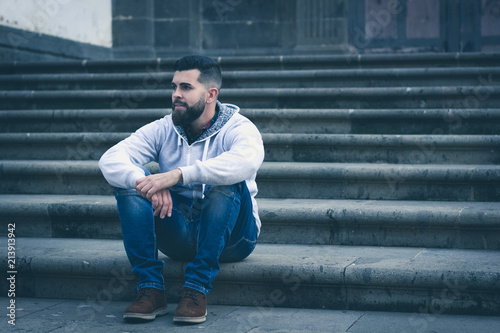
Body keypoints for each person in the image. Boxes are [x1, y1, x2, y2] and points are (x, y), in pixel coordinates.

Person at [98, 55, 264, 324]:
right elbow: (110, 159)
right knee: (131, 185)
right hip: (178, 231)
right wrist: (148, 183)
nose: (176, 95)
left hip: (234, 238)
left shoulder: (239, 127)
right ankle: (150, 289)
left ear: (211, 94)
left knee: (227, 181)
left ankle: (196, 289)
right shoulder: (164, 128)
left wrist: (176, 176)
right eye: (174, 86)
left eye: (186, 88)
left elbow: (246, 161)